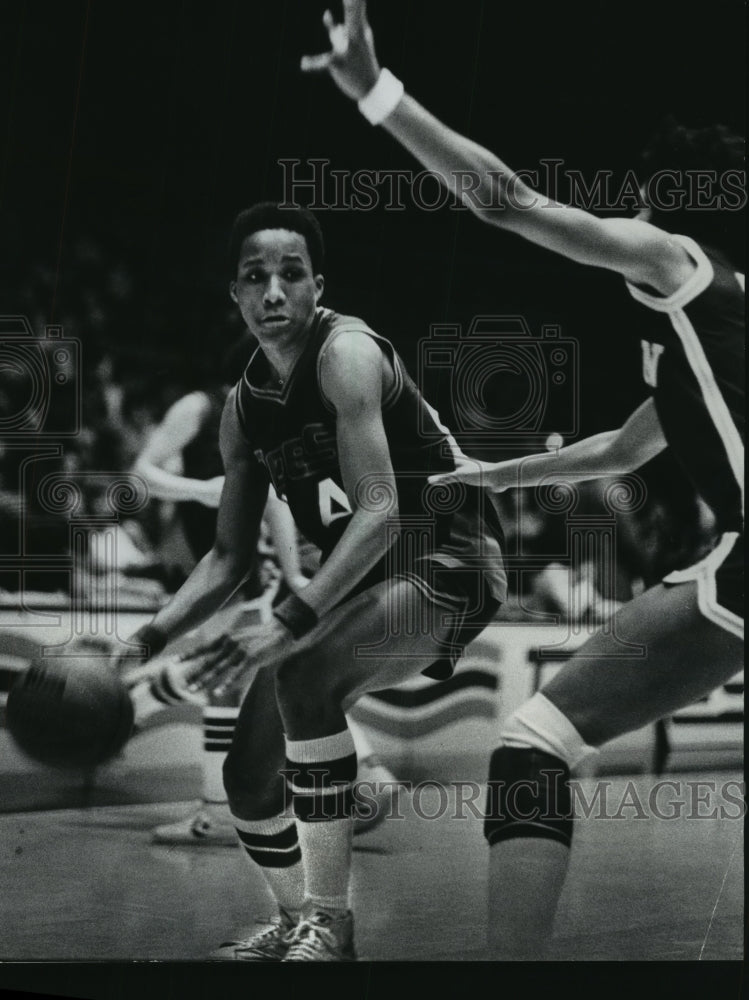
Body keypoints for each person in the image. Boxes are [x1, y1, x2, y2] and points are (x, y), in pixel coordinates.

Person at [302, 0, 744, 958]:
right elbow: (627, 449)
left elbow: (505, 202)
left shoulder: (680, 265)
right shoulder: (710, 340)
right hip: (731, 562)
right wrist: (495, 477)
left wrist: (379, 95)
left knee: (531, 749)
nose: (619, 220)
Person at [122, 201, 506, 961]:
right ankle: (301, 918)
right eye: (254, 278)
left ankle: (332, 920)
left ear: (316, 285)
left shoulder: (346, 353)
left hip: (448, 559)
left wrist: (291, 615)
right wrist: (145, 638)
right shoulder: (242, 412)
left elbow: (381, 516)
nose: (272, 292)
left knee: (302, 674)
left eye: (290, 274)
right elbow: (227, 559)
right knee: (247, 780)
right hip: (360, 582)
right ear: (234, 295)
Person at [129, 376, 403, 844]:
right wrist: (200, 491)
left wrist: (293, 572)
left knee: (238, 676)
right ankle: (368, 770)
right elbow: (145, 475)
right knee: (266, 676)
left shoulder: (249, 410)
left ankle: (216, 814)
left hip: (271, 569)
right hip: (275, 564)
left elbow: (273, 497)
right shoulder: (236, 406)